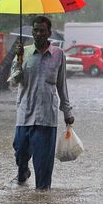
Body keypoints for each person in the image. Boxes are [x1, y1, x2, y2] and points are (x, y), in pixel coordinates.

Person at [8, 16, 75, 190]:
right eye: (35, 30)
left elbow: (62, 85)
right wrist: (18, 62)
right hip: (25, 113)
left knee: (43, 169)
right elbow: (13, 83)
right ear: (32, 32)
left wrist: (67, 111)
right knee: (20, 151)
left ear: (49, 33)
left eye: (42, 31)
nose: (38, 34)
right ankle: (23, 172)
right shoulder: (23, 53)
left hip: (47, 117)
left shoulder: (58, 55)